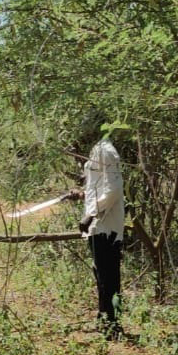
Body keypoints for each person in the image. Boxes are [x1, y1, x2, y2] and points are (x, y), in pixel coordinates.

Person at [66, 127, 125, 339]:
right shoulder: (95, 151)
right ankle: (106, 321)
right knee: (101, 275)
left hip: (105, 227)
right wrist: (82, 195)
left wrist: (90, 215)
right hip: (98, 226)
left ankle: (113, 325)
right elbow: (98, 186)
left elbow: (114, 190)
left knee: (108, 278)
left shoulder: (106, 151)